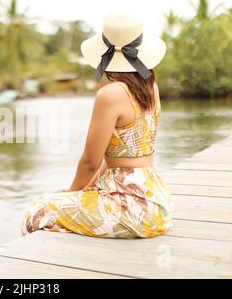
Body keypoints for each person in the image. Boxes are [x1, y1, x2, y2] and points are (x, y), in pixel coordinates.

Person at [21, 12, 173, 238]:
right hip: (155, 203)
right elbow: (114, 158)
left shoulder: (111, 94)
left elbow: (90, 162)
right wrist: (83, 190)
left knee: (37, 210)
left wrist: (72, 194)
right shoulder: (152, 89)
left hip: (129, 206)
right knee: (61, 199)